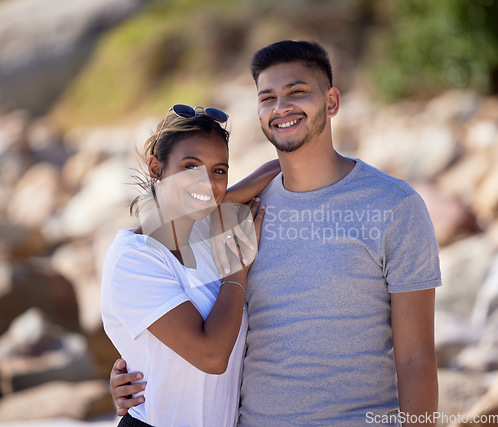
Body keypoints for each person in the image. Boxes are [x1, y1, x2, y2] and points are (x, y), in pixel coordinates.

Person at [110, 41, 441, 426]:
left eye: (297, 92)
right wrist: (126, 375)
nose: (281, 107)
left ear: (332, 102)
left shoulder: (393, 206)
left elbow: (416, 358)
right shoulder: (239, 216)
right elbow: (150, 269)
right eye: (268, 98)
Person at [101, 105, 280, 427]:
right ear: (156, 168)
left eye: (219, 170)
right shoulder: (134, 259)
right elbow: (211, 356)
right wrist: (236, 270)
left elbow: (248, 183)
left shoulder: (205, 236)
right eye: (190, 166)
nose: (206, 181)